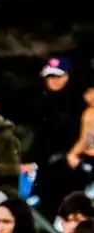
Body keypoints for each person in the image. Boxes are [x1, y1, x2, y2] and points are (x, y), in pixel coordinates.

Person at [27, 57, 84, 205]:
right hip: (42, 167)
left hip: (71, 164)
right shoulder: (40, 103)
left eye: (58, 76)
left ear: (68, 76)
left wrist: (75, 154)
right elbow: (37, 137)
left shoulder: (78, 104)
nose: (54, 80)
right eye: (50, 76)